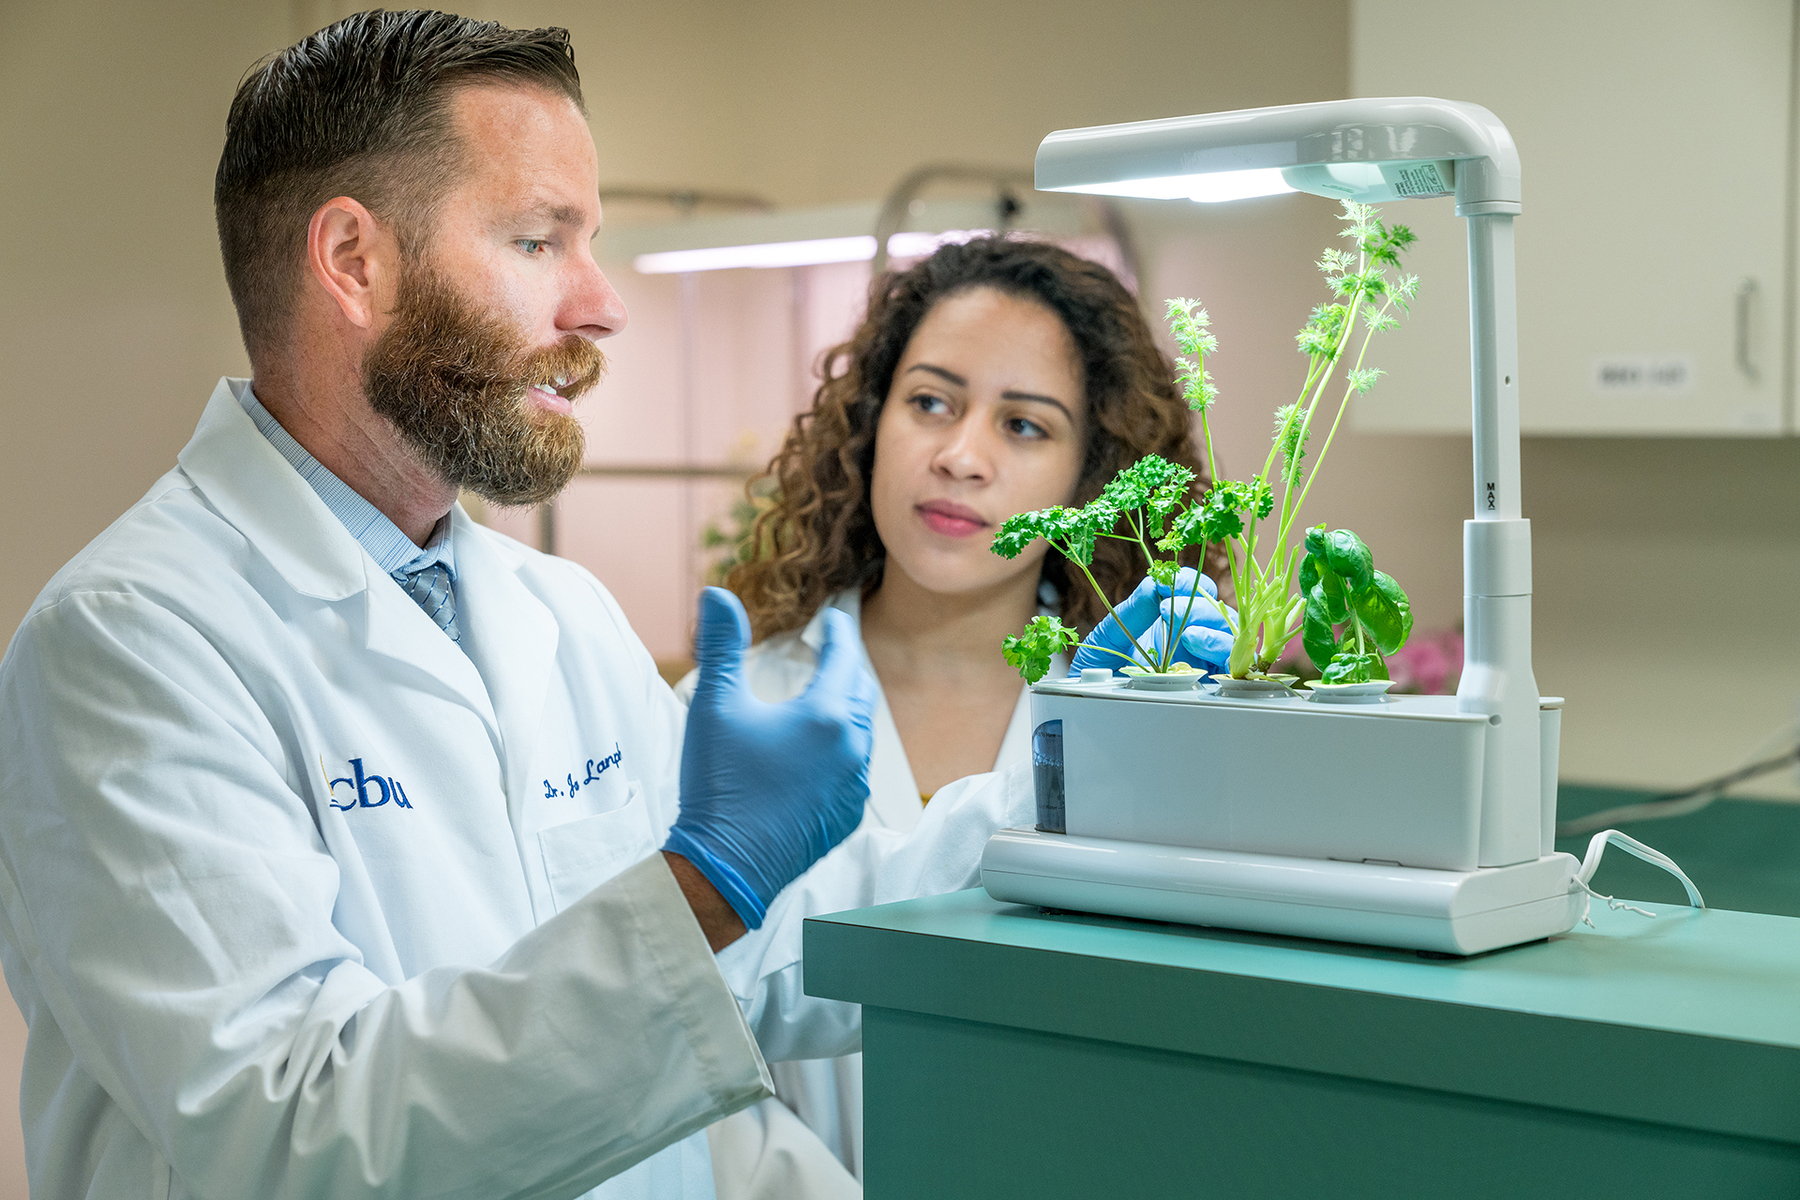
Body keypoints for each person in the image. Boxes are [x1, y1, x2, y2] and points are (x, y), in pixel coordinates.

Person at [0, 14, 1231, 1199]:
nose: (601, 303)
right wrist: (701, 887)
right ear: (355, 263)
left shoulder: (557, 617)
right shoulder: (130, 643)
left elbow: (807, 946)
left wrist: (1079, 756)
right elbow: (301, 1137)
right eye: (540, 242)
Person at [686, 237, 1233, 1199]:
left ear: (1089, 475)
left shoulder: (1138, 723)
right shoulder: (734, 712)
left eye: (1025, 425)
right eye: (931, 402)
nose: (960, 456)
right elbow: (674, 1039)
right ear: (870, 422)